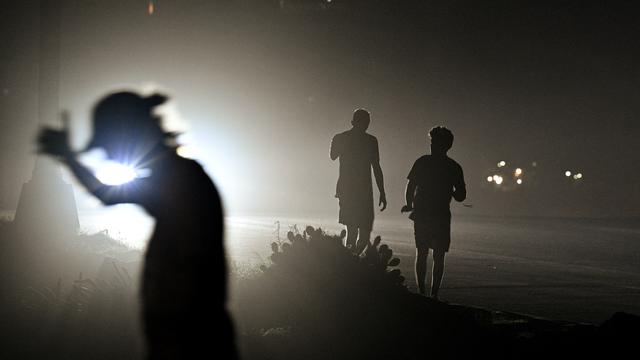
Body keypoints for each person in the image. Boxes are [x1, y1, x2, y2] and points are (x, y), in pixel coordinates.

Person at [37, 91, 237, 359]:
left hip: (189, 338)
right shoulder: (180, 175)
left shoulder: (178, 179)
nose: (106, 154)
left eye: (108, 144)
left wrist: (68, 157)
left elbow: (106, 195)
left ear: (128, 135)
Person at [401, 126, 466, 300]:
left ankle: (422, 292)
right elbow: (461, 195)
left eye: (433, 142)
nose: (432, 145)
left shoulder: (422, 162)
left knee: (421, 253)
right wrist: (450, 191)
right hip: (441, 215)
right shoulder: (454, 167)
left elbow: (410, 185)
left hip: (422, 213)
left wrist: (409, 203)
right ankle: (434, 293)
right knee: (438, 255)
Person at [330, 108, 387, 254]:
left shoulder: (348, 138)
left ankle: (350, 259)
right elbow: (376, 167)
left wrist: (382, 191)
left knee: (357, 231)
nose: (365, 125)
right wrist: (382, 191)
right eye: (365, 122)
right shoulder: (369, 141)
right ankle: (350, 261)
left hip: (354, 190)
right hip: (356, 191)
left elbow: (376, 167)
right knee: (356, 230)